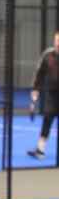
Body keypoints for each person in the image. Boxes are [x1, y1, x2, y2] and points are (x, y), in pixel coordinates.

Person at [28, 31, 59, 160]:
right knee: (47, 120)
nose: (58, 43)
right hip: (51, 94)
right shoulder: (47, 55)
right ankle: (40, 150)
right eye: (56, 40)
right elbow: (39, 75)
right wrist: (35, 93)